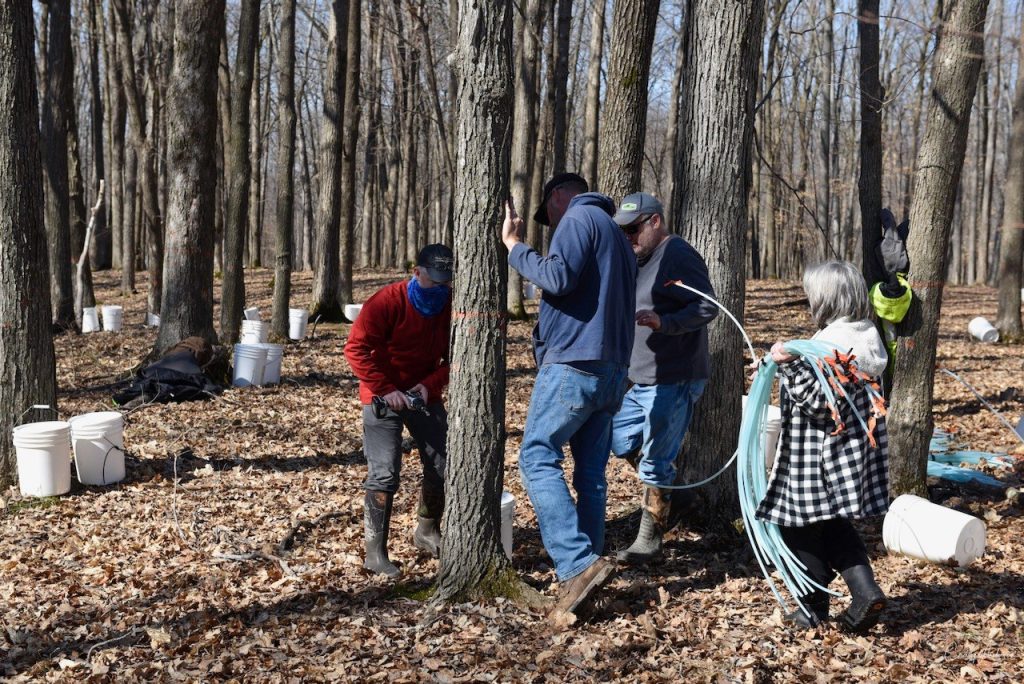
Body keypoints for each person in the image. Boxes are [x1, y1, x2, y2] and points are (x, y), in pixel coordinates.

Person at [501, 172, 637, 618]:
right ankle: (591, 568)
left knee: (536, 457)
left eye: (549, 211)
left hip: (576, 363)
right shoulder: (616, 234)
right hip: (612, 367)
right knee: (592, 474)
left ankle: (577, 564)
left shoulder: (579, 219)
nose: (551, 220)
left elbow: (557, 278)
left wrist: (515, 248)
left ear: (560, 196)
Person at [755, 260, 889, 632]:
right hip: (847, 453)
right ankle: (865, 591)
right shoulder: (864, 335)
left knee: (794, 524)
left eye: (812, 293)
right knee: (831, 523)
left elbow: (817, 401)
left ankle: (812, 605)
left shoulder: (831, 344)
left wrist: (786, 366)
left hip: (815, 455)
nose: (809, 299)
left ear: (827, 298)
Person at [607, 192, 718, 563]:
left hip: (675, 375)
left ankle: (649, 541)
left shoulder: (677, 254)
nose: (629, 238)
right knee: (619, 439)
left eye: (634, 229)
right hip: (640, 378)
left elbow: (706, 305)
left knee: (655, 460)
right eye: (623, 232)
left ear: (655, 221)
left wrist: (666, 323)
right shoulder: (637, 258)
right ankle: (676, 495)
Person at [344, 244, 454, 578]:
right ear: (416, 272)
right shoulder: (387, 302)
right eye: (433, 279)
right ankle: (375, 553)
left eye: (445, 281)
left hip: (423, 394)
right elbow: (355, 349)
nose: (439, 287)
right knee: (384, 472)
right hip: (382, 396)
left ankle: (426, 529)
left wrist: (429, 385)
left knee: (444, 462)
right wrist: (386, 389)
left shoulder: (450, 306)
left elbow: (458, 357)